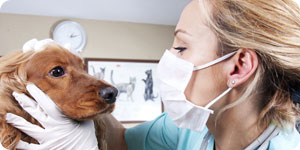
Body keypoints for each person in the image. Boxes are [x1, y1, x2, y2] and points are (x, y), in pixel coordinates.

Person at [4, 0, 300, 149]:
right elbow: (122, 141)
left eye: (181, 47)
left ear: (238, 67)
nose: (168, 58)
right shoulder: (188, 130)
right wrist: (85, 105)